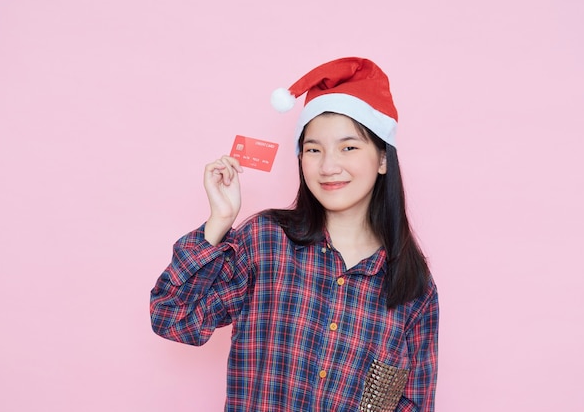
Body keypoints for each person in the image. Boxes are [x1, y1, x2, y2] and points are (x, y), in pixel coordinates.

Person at [150, 57, 439, 411]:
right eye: (314, 150)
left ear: (382, 159)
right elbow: (172, 317)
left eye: (348, 147)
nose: (328, 166)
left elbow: (412, 403)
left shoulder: (412, 284)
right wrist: (220, 221)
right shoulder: (266, 242)